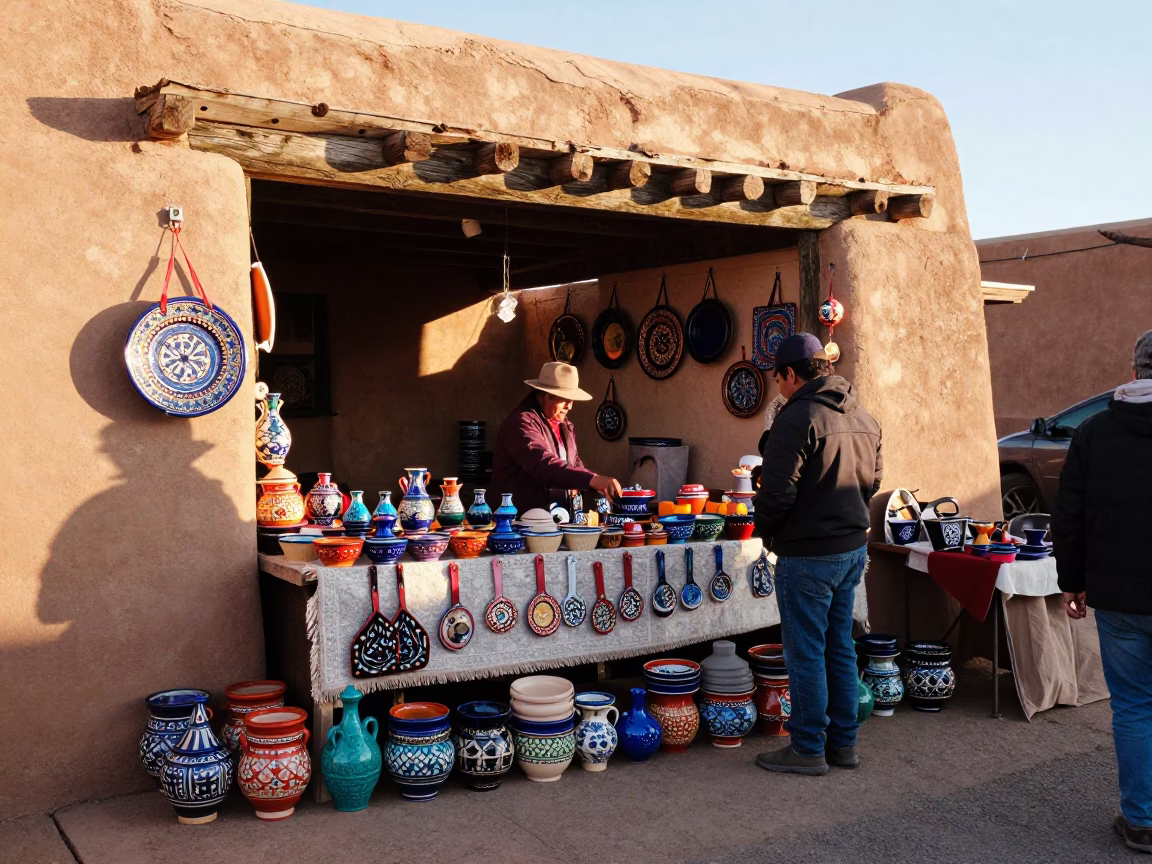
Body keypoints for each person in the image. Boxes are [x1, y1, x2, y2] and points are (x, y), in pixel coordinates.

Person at [753, 332, 883, 776]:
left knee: (806, 652)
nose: (779, 387)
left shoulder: (797, 417)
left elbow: (775, 494)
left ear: (790, 374)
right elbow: (873, 482)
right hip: (850, 548)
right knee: (840, 648)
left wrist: (769, 535)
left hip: (807, 552)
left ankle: (808, 748)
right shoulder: (864, 415)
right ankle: (843, 745)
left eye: (778, 378)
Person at [1053, 330, 1152, 853]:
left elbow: (1068, 516)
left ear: (1136, 371)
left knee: (1134, 705)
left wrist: (1072, 582)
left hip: (1119, 596)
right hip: (1120, 594)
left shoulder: (1094, 433)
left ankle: (1141, 820)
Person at [489, 361, 622, 514]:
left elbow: (574, 465)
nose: (569, 406)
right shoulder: (520, 423)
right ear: (542, 394)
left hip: (553, 520)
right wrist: (592, 479)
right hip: (517, 522)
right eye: (564, 399)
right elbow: (544, 464)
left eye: (571, 400)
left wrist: (595, 483)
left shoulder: (564, 425)